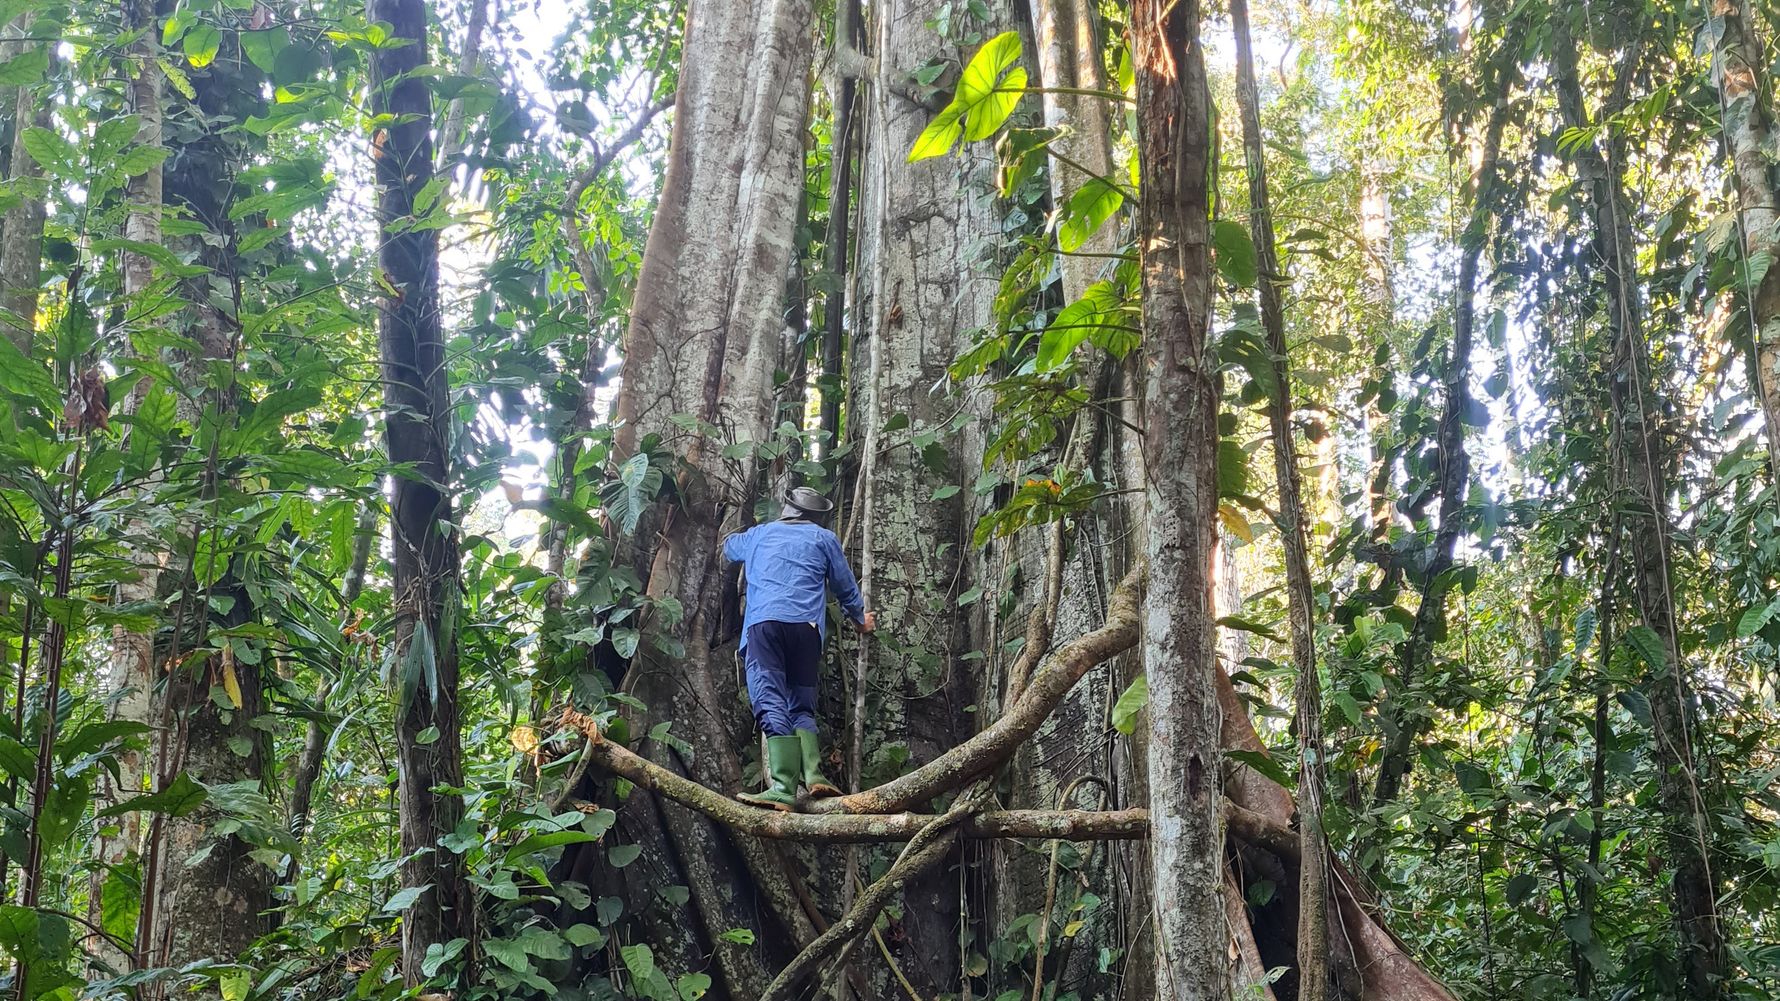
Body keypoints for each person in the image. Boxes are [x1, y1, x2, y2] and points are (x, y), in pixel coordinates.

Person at [721, 486, 875, 810]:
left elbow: (729, 547)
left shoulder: (761, 534)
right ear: (819, 517)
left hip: (765, 626)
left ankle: (782, 787)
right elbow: (845, 585)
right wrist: (860, 619)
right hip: (807, 631)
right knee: (800, 706)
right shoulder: (824, 539)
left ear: (787, 509)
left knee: (768, 697)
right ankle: (815, 774)